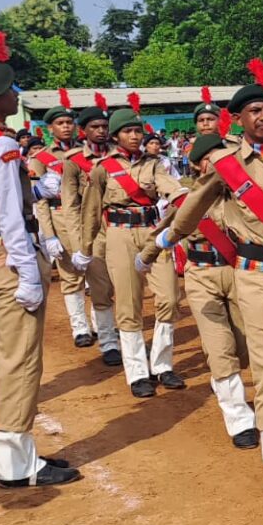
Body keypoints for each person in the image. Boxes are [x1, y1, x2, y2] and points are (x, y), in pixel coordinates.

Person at [144, 59, 263, 507]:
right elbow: (192, 210)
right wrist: (158, 244)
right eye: (253, 111)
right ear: (237, 119)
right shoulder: (224, 165)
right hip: (254, 278)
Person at [0, 29, 78, 488]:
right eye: (9, 88)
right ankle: (15, 463)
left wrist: (39, 186)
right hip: (9, 255)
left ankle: (17, 455)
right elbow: (8, 215)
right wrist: (27, 272)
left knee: (12, 359)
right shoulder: (1, 145)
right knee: (19, 362)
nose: (16, 94)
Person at [137, 129, 259, 448]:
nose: (217, 162)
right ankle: (239, 418)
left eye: (221, 155)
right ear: (196, 166)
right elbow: (168, 230)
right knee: (220, 349)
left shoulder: (244, 192)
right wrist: (146, 256)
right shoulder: (187, 196)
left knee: (246, 347)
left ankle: (229, 389)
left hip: (238, 273)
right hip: (201, 274)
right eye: (209, 159)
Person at [82, 103, 187, 397]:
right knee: (129, 304)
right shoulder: (103, 169)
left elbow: (170, 186)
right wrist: (85, 247)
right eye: (127, 131)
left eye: (137, 130)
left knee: (169, 298)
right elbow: (91, 211)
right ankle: (138, 372)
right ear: (115, 136)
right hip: (119, 235)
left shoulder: (154, 164)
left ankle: (162, 365)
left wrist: (184, 197)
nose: (134, 136)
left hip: (154, 233)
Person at [57, 98, 122, 368]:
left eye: (105, 126)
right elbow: (70, 204)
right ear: (83, 130)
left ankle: (123, 333)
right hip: (92, 231)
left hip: (119, 227)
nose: (101, 131)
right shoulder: (74, 162)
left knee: (125, 285)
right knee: (100, 287)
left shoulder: (119, 157)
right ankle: (108, 342)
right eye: (95, 126)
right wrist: (77, 243)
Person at [28, 94, 95, 348]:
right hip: (60, 218)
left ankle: (100, 323)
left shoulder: (87, 153)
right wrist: (49, 234)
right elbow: (41, 200)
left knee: (98, 273)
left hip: (89, 215)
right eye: (60, 123)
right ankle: (80, 327)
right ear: (50, 128)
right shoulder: (41, 158)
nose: (66, 126)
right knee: (71, 275)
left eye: (69, 122)